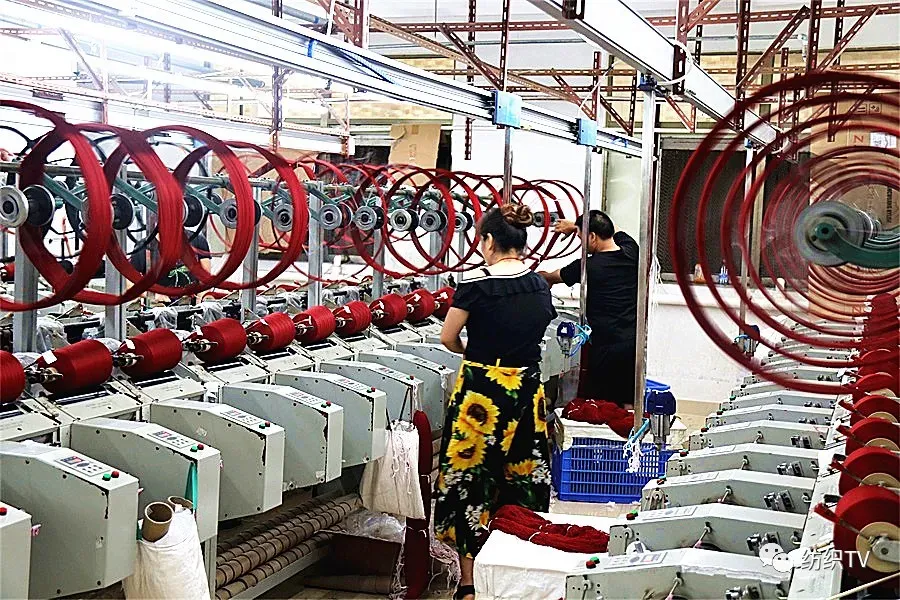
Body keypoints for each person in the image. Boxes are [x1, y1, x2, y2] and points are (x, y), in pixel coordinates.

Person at [437, 204, 557, 600]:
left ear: (488, 241)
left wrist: (472, 353)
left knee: (471, 480)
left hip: (482, 395)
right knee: (523, 478)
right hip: (527, 392)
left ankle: (469, 583)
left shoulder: (476, 284)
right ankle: (513, 573)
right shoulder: (539, 285)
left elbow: (448, 337)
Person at [540, 210, 638, 408]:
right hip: (631, 343)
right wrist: (575, 226)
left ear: (592, 236)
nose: (581, 242)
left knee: (599, 405)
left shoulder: (587, 266)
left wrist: (538, 277)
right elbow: (614, 228)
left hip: (604, 346)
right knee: (627, 403)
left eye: (580, 237)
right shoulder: (631, 252)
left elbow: (552, 277)